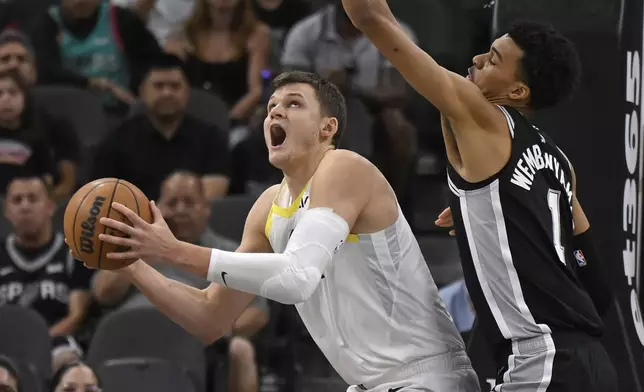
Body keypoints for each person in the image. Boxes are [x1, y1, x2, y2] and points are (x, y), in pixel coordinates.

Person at [89, 71, 480, 392]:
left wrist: (174, 252)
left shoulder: (344, 167)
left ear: (328, 127)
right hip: (370, 384)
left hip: (427, 377)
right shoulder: (266, 208)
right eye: (271, 107)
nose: (276, 113)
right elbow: (209, 318)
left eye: (293, 104)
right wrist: (132, 261)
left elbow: (297, 279)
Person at [340, 1, 616, 391]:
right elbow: (596, 284)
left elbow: (371, 17)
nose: (477, 58)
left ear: (517, 90)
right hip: (593, 364)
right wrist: (497, 215)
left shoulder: (480, 115)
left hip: (542, 363)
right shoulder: (559, 162)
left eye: (493, 59)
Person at [92, 171, 267, 392]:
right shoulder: (134, 246)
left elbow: (258, 312)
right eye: (172, 203)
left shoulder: (230, 253)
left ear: (206, 207)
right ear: (157, 208)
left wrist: (216, 326)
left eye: (189, 202)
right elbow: (102, 294)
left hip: (197, 344)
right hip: (133, 337)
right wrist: (135, 253)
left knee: (241, 349)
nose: (180, 210)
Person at [0, 176, 93, 337]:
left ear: (50, 206)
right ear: (6, 211)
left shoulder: (73, 253)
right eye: (17, 200)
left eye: (33, 199)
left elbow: (76, 316)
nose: (25, 206)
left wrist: (37, 345)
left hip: (57, 344)